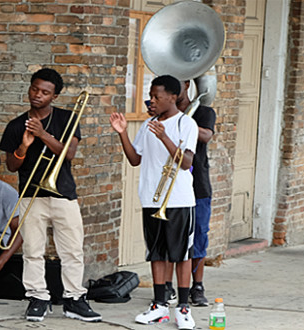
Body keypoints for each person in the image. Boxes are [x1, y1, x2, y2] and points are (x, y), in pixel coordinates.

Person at [0, 68, 102, 323]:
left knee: (72, 250)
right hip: (31, 194)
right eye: (35, 89)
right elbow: (12, 166)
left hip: (63, 193)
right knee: (33, 249)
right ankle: (38, 298)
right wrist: (23, 146)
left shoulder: (67, 119)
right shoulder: (15, 125)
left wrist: (42, 134)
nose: (37, 95)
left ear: (54, 96)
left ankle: (74, 299)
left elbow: (68, 154)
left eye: (45, 92)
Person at [109, 75, 198, 329]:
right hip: (151, 198)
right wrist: (123, 133)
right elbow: (135, 159)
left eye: (157, 97)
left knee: (181, 254)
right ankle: (159, 305)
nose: (152, 100)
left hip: (179, 200)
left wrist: (165, 138)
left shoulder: (185, 124)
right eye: (151, 96)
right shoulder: (148, 124)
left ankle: (182, 307)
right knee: (157, 253)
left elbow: (187, 163)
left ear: (173, 97)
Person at [163, 80, 216, 307]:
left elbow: (205, 136)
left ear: (186, 84)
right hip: (168, 185)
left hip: (198, 185)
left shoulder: (203, 112)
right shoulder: (161, 111)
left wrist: (182, 122)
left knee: (199, 238)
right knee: (167, 238)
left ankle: (197, 286)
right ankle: (165, 286)